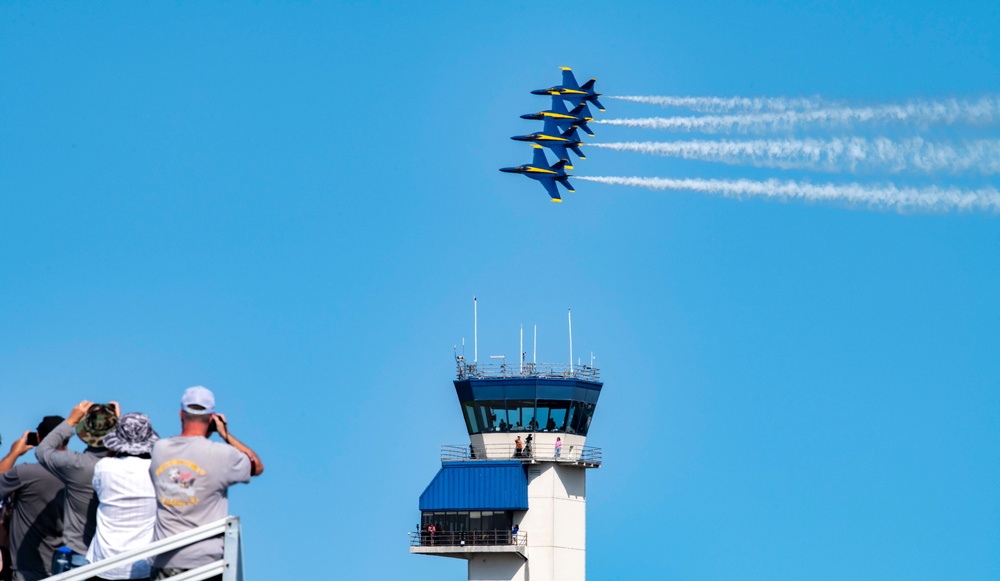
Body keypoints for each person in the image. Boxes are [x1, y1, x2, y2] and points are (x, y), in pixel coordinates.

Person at [148, 386, 264, 581]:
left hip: (165, 560)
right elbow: (257, 466)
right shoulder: (221, 455)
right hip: (206, 563)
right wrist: (225, 434)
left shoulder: (159, 450)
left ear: (180, 415)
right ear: (212, 418)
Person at [35, 402, 118, 571]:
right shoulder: (124, 467)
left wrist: (70, 421)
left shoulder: (76, 465)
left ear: (84, 432)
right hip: (114, 558)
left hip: (79, 555)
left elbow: (42, 450)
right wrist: (119, 423)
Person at [87, 413, 160, 580]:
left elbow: (99, 490)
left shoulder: (104, 467)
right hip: (142, 564)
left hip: (104, 561)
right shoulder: (157, 470)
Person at [0, 417, 66, 581]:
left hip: (29, 567)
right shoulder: (82, 472)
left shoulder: (26, 474)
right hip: (69, 564)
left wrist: (14, 453)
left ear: (38, 438)